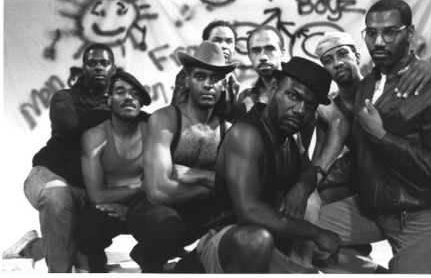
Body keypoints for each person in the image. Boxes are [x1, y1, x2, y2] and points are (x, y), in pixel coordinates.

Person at [318, 0, 431, 273]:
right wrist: (312, 182)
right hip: (372, 210)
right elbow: (360, 155)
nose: (378, 42)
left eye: (389, 32)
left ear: (409, 34)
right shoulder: (367, 85)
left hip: (419, 216)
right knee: (298, 231)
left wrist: (382, 136)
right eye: (372, 33)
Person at [197, 57, 343, 273]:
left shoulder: (290, 136)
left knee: (311, 204)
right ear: (274, 89)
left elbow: (310, 172)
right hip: (229, 241)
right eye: (293, 96)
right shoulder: (246, 134)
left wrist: (302, 187)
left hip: (273, 240)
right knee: (258, 240)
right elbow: (248, 211)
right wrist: (316, 232)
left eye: (310, 105)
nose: (300, 110)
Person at [126, 41, 237, 273]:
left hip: (196, 210)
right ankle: (153, 256)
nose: (208, 84)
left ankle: (177, 263)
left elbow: (237, 188)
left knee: (237, 218)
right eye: (200, 76)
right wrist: (215, 184)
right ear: (189, 79)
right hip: (152, 210)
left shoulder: (228, 129)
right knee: (166, 226)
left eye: (215, 78)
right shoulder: (166, 119)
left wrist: (197, 175)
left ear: (224, 84)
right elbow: (158, 192)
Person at [18, 43, 116, 272]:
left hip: (86, 190)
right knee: (57, 196)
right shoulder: (65, 97)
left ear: (113, 68)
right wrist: (109, 111)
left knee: (86, 260)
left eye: (104, 63)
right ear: (84, 68)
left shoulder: (120, 99)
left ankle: (30, 247)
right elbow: (68, 122)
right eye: (92, 63)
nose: (98, 68)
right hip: (49, 176)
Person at [74, 71, 151, 272]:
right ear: (109, 100)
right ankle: (92, 257)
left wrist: (133, 212)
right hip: (107, 206)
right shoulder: (95, 135)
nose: (128, 97)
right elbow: (98, 197)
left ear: (141, 102)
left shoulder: (152, 131)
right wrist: (141, 186)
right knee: (86, 229)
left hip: (143, 205)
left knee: (165, 222)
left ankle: (153, 257)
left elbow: (160, 184)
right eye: (120, 92)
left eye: (135, 93)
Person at [171, 20, 240, 119]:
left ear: (234, 47)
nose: (224, 46)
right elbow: (183, 113)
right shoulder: (190, 72)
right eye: (217, 40)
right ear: (205, 43)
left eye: (229, 41)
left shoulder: (233, 80)